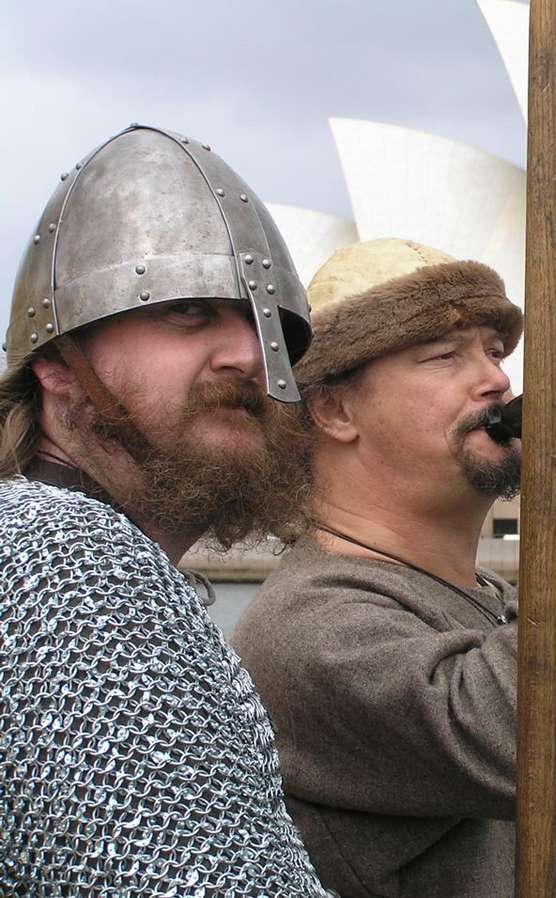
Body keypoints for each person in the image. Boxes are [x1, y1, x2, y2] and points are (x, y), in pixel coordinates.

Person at [231, 237, 556, 898]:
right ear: (336, 410)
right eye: (443, 357)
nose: (496, 380)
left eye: (491, 351)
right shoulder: (304, 627)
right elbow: (519, 749)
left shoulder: (503, 607)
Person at [0, 125, 329, 894]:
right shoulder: (63, 559)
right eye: (187, 313)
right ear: (57, 367)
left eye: (266, 325)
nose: (248, 356)